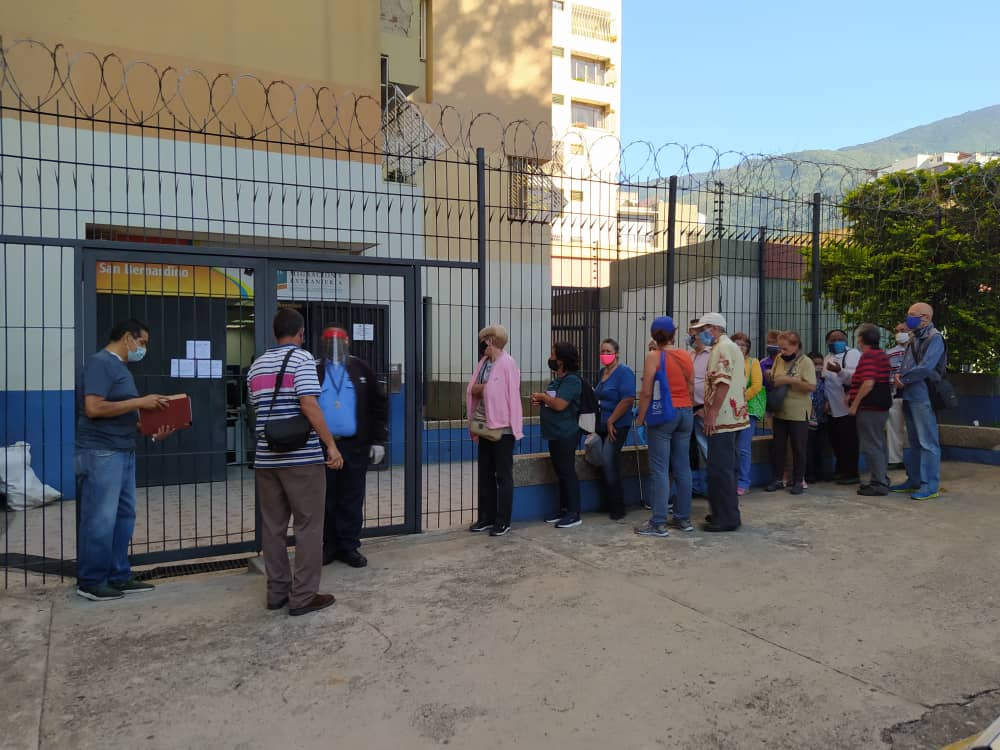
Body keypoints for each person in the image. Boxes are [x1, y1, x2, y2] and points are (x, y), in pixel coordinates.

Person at [248, 308, 342, 616]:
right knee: (308, 525)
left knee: (273, 527)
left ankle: (276, 593)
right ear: (301, 333)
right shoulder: (303, 360)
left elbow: (256, 408)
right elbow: (309, 403)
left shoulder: (257, 366)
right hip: (301, 459)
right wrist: (330, 445)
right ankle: (303, 596)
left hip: (266, 459)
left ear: (276, 333)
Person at [75, 319, 176, 601]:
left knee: (124, 516)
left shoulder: (121, 369)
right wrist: (140, 402)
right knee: (101, 518)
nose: (143, 349)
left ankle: (118, 575)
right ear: (126, 338)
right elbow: (93, 408)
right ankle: (91, 581)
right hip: (101, 452)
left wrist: (155, 429)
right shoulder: (100, 363)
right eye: (141, 342)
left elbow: (129, 418)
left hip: (123, 449)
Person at [317, 324, 389, 567]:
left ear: (347, 344)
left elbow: (379, 404)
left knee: (351, 497)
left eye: (339, 343)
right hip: (325, 448)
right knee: (326, 498)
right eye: (330, 343)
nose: (334, 348)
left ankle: (349, 546)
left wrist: (379, 440)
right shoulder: (315, 370)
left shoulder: (361, 368)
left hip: (354, 447)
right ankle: (329, 546)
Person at [634, 317, 694, 537]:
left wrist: (640, 418)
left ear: (653, 335)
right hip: (686, 412)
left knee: (660, 469)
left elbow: (647, 391)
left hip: (664, 415)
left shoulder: (653, 356)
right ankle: (683, 519)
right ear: (673, 334)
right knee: (682, 467)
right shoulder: (686, 355)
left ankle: (658, 522)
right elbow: (690, 385)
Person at [692, 313, 748, 532]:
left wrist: (711, 412)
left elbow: (722, 383)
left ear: (713, 328)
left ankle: (725, 517)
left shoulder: (721, 349)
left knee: (719, 469)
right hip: (733, 416)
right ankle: (725, 512)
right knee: (726, 468)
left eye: (702, 329)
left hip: (723, 418)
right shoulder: (729, 346)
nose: (699, 333)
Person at [467, 325, 524, 537]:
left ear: (492, 340)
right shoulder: (483, 363)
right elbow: (474, 388)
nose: (482, 345)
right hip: (485, 423)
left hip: (503, 427)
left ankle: (503, 520)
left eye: (484, 340)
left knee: (503, 474)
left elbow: (505, 391)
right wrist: (483, 388)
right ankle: (486, 517)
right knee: (485, 472)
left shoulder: (507, 363)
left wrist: (483, 388)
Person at [891, 302, 946, 501]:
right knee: (913, 441)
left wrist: (903, 380)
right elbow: (906, 363)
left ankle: (930, 486)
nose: (908, 319)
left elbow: (926, 367)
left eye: (912, 315)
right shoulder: (914, 338)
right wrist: (899, 377)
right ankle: (913, 480)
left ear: (926, 317)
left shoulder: (935, 338)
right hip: (909, 394)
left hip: (923, 396)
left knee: (927, 442)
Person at [532, 342, 583, 528]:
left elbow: (560, 404)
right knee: (560, 472)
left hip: (566, 433)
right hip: (554, 433)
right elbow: (553, 400)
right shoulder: (557, 380)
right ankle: (563, 508)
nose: (551, 358)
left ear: (561, 360)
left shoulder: (572, 381)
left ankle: (574, 512)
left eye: (553, 355)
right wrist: (543, 400)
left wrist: (544, 398)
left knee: (567, 471)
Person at [766, 331, 816, 495]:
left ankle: (798, 480)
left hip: (798, 411)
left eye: (785, 349)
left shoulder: (805, 362)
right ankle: (778, 479)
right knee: (778, 447)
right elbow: (774, 377)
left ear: (795, 346)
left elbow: (811, 386)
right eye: (780, 348)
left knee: (798, 447)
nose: (782, 352)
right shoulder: (779, 359)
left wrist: (789, 380)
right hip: (780, 410)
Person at [593, 338, 636, 521]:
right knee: (604, 461)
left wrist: (612, 420)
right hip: (601, 423)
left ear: (616, 354)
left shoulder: (624, 372)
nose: (605, 354)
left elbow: (627, 399)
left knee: (609, 460)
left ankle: (618, 507)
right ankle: (607, 502)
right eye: (603, 351)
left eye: (609, 351)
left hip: (617, 425)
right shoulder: (602, 372)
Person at [848, 324, 893, 496]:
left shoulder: (868, 356)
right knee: (879, 443)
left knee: (871, 445)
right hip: (880, 406)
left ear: (861, 339)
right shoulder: (881, 354)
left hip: (869, 407)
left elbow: (868, 383)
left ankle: (878, 483)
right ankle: (881, 477)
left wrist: (854, 404)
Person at [822, 329, 861, 484]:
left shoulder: (852, 354)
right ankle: (841, 470)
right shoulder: (827, 358)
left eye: (840, 338)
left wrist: (839, 370)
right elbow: (825, 381)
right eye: (832, 339)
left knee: (849, 441)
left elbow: (855, 377)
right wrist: (826, 401)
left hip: (847, 406)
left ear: (845, 340)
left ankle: (852, 473)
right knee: (836, 441)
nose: (836, 341)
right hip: (832, 407)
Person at [731, 332, 764, 496]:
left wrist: (742, 398)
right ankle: (731, 479)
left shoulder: (753, 363)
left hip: (747, 409)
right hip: (729, 409)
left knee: (743, 447)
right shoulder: (727, 362)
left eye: (743, 345)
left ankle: (744, 481)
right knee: (730, 447)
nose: (740, 347)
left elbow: (757, 385)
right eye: (736, 343)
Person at [688, 319, 711, 495]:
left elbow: (715, 384)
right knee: (694, 450)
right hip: (691, 409)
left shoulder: (711, 355)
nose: (691, 337)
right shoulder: (691, 355)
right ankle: (697, 486)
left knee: (708, 450)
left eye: (693, 334)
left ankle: (714, 488)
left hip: (705, 409)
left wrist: (707, 407)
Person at [885, 323, 910, 469]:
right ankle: (895, 460)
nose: (900, 333)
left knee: (913, 428)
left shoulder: (917, 351)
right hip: (894, 394)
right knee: (894, 428)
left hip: (913, 394)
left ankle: (914, 459)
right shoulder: (889, 353)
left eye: (903, 330)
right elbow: (886, 374)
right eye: (898, 331)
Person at [805, 351, 832, 484]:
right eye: (815, 364)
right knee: (809, 447)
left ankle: (820, 472)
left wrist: (827, 403)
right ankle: (809, 474)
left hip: (822, 417)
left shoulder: (823, 378)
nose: (819, 366)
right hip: (809, 418)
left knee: (820, 447)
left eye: (821, 364)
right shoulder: (806, 379)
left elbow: (827, 393)